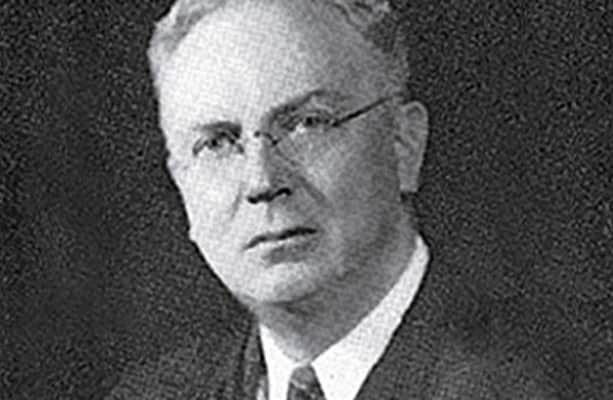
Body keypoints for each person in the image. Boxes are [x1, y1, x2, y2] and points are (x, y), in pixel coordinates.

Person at [109, 1, 560, 398]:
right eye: (217, 143)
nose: (261, 181)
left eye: (307, 124)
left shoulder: (548, 379)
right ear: (180, 183)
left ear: (404, 144)